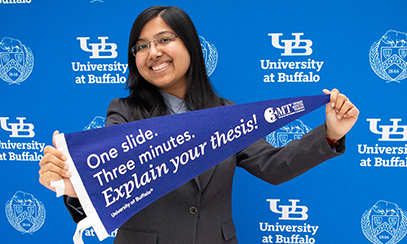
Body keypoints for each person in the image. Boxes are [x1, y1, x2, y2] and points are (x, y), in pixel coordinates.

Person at [38, 5, 359, 244]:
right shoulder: (123, 112)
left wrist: (331, 133)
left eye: (164, 39)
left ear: (190, 45)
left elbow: (273, 167)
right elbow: (112, 180)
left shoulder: (227, 114)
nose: (154, 52)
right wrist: (72, 187)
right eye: (141, 45)